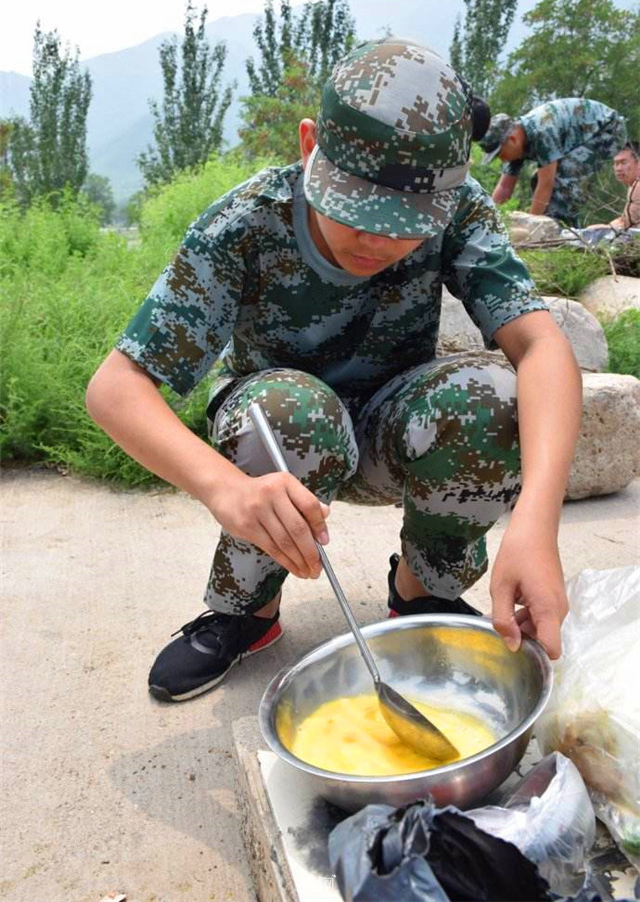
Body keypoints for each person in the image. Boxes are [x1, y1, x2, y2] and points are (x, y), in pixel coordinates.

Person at [86, 38, 581, 704]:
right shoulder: (245, 225)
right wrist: (223, 489)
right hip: (281, 441)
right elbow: (115, 388)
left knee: (493, 398)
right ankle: (247, 611)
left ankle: (424, 594)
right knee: (292, 410)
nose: (379, 241)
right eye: (357, 209)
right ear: (309, 145)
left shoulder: (459, 206)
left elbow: (542, 346)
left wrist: (537, 523)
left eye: (407, 223)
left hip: (390, 428)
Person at [479, 98, 627, 227]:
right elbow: (504, 187)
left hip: (608, 130)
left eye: (500, 154)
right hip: (580, 138)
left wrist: (530, 226)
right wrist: (488, 220)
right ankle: (559, 229)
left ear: (512, 139)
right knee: (537, 180)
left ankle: (562, 232)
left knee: (564, 178)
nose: (502, 159)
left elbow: (546, 184)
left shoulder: (541, 131)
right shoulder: (514, 145)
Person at [585, 141, 640, 232]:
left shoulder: (638, 186)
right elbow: (625, 220)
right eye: (616, 164)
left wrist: (605, 228)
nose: (618, 169)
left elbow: (629, 223)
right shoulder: (634, 185)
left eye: (624, 163)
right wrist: (607, 226)